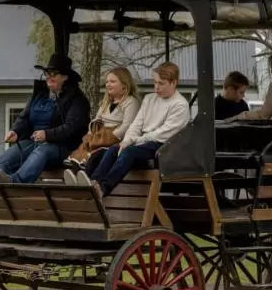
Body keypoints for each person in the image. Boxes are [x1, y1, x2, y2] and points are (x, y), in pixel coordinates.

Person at [69, 62, 189, 198]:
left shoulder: (180, 105)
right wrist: (126, 140)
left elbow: (162, 134)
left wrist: (134, 141)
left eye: (161, 83)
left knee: (128, 153)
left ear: (174, 83)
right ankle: (93, 183)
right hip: (143, 141)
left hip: (163, 146)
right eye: (155, 82)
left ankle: (103, 188)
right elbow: (136, 124)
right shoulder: (149, 99)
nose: (156, 87)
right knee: (114, 150)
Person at [0, 53, 91, 184]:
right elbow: (25, 117)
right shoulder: (39, 95)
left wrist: (47, 134)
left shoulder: (77, 99)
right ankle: (1, 191)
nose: (48, 78)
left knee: (43, 150)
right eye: (46, 74)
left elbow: (71, 127)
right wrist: (16, 131)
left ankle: (15, 184)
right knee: (6, 158)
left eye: (53, 74)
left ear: (65, 77)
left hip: (64, 147)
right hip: (35, 143)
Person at [63, 67, 141, 173]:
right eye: (107, 82)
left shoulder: (130, 102)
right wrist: (91, 133)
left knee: (94, 157)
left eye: (112, 81)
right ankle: (76, 172)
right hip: (99, 135)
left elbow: (128, 125)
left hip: (114, 139)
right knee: (80, 153)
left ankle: (87, 177)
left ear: (124, 84)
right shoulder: (106, 102)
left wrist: (111, 136)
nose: (108, 84)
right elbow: (97, 118)